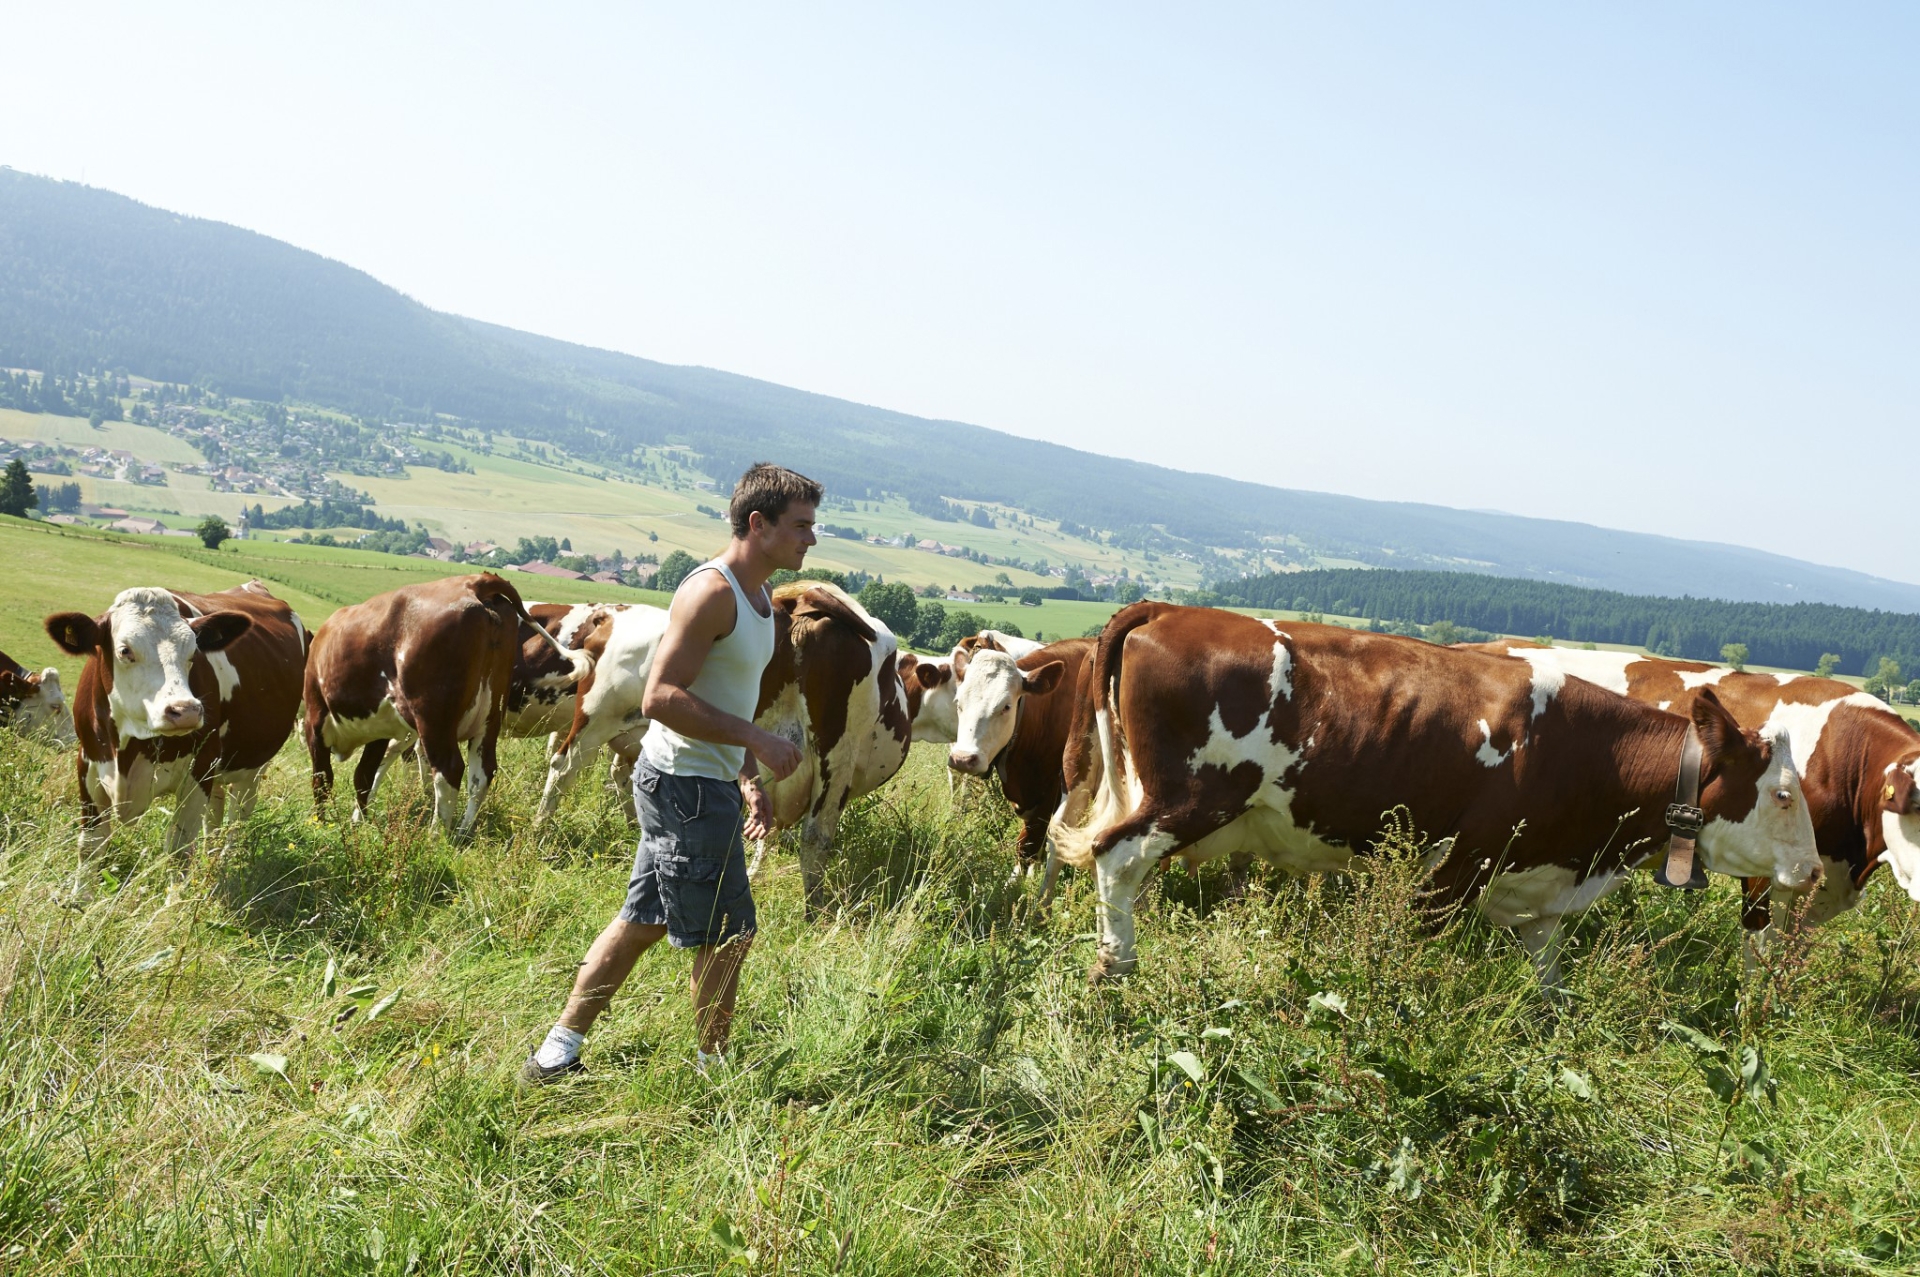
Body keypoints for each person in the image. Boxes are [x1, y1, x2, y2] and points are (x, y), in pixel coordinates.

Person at [521, 463, 819, 1082]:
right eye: (800, 526)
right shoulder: (712, 593)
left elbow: (725, 697)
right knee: (727, 934)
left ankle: (557, 1051)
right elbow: (660, 696)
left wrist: (748, 778)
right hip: (684, 786)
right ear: (757, 524)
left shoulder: (760, 597)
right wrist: (756, 740)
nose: (810, 540)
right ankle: (714, 1073)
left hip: (704, 782)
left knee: (643, 921)